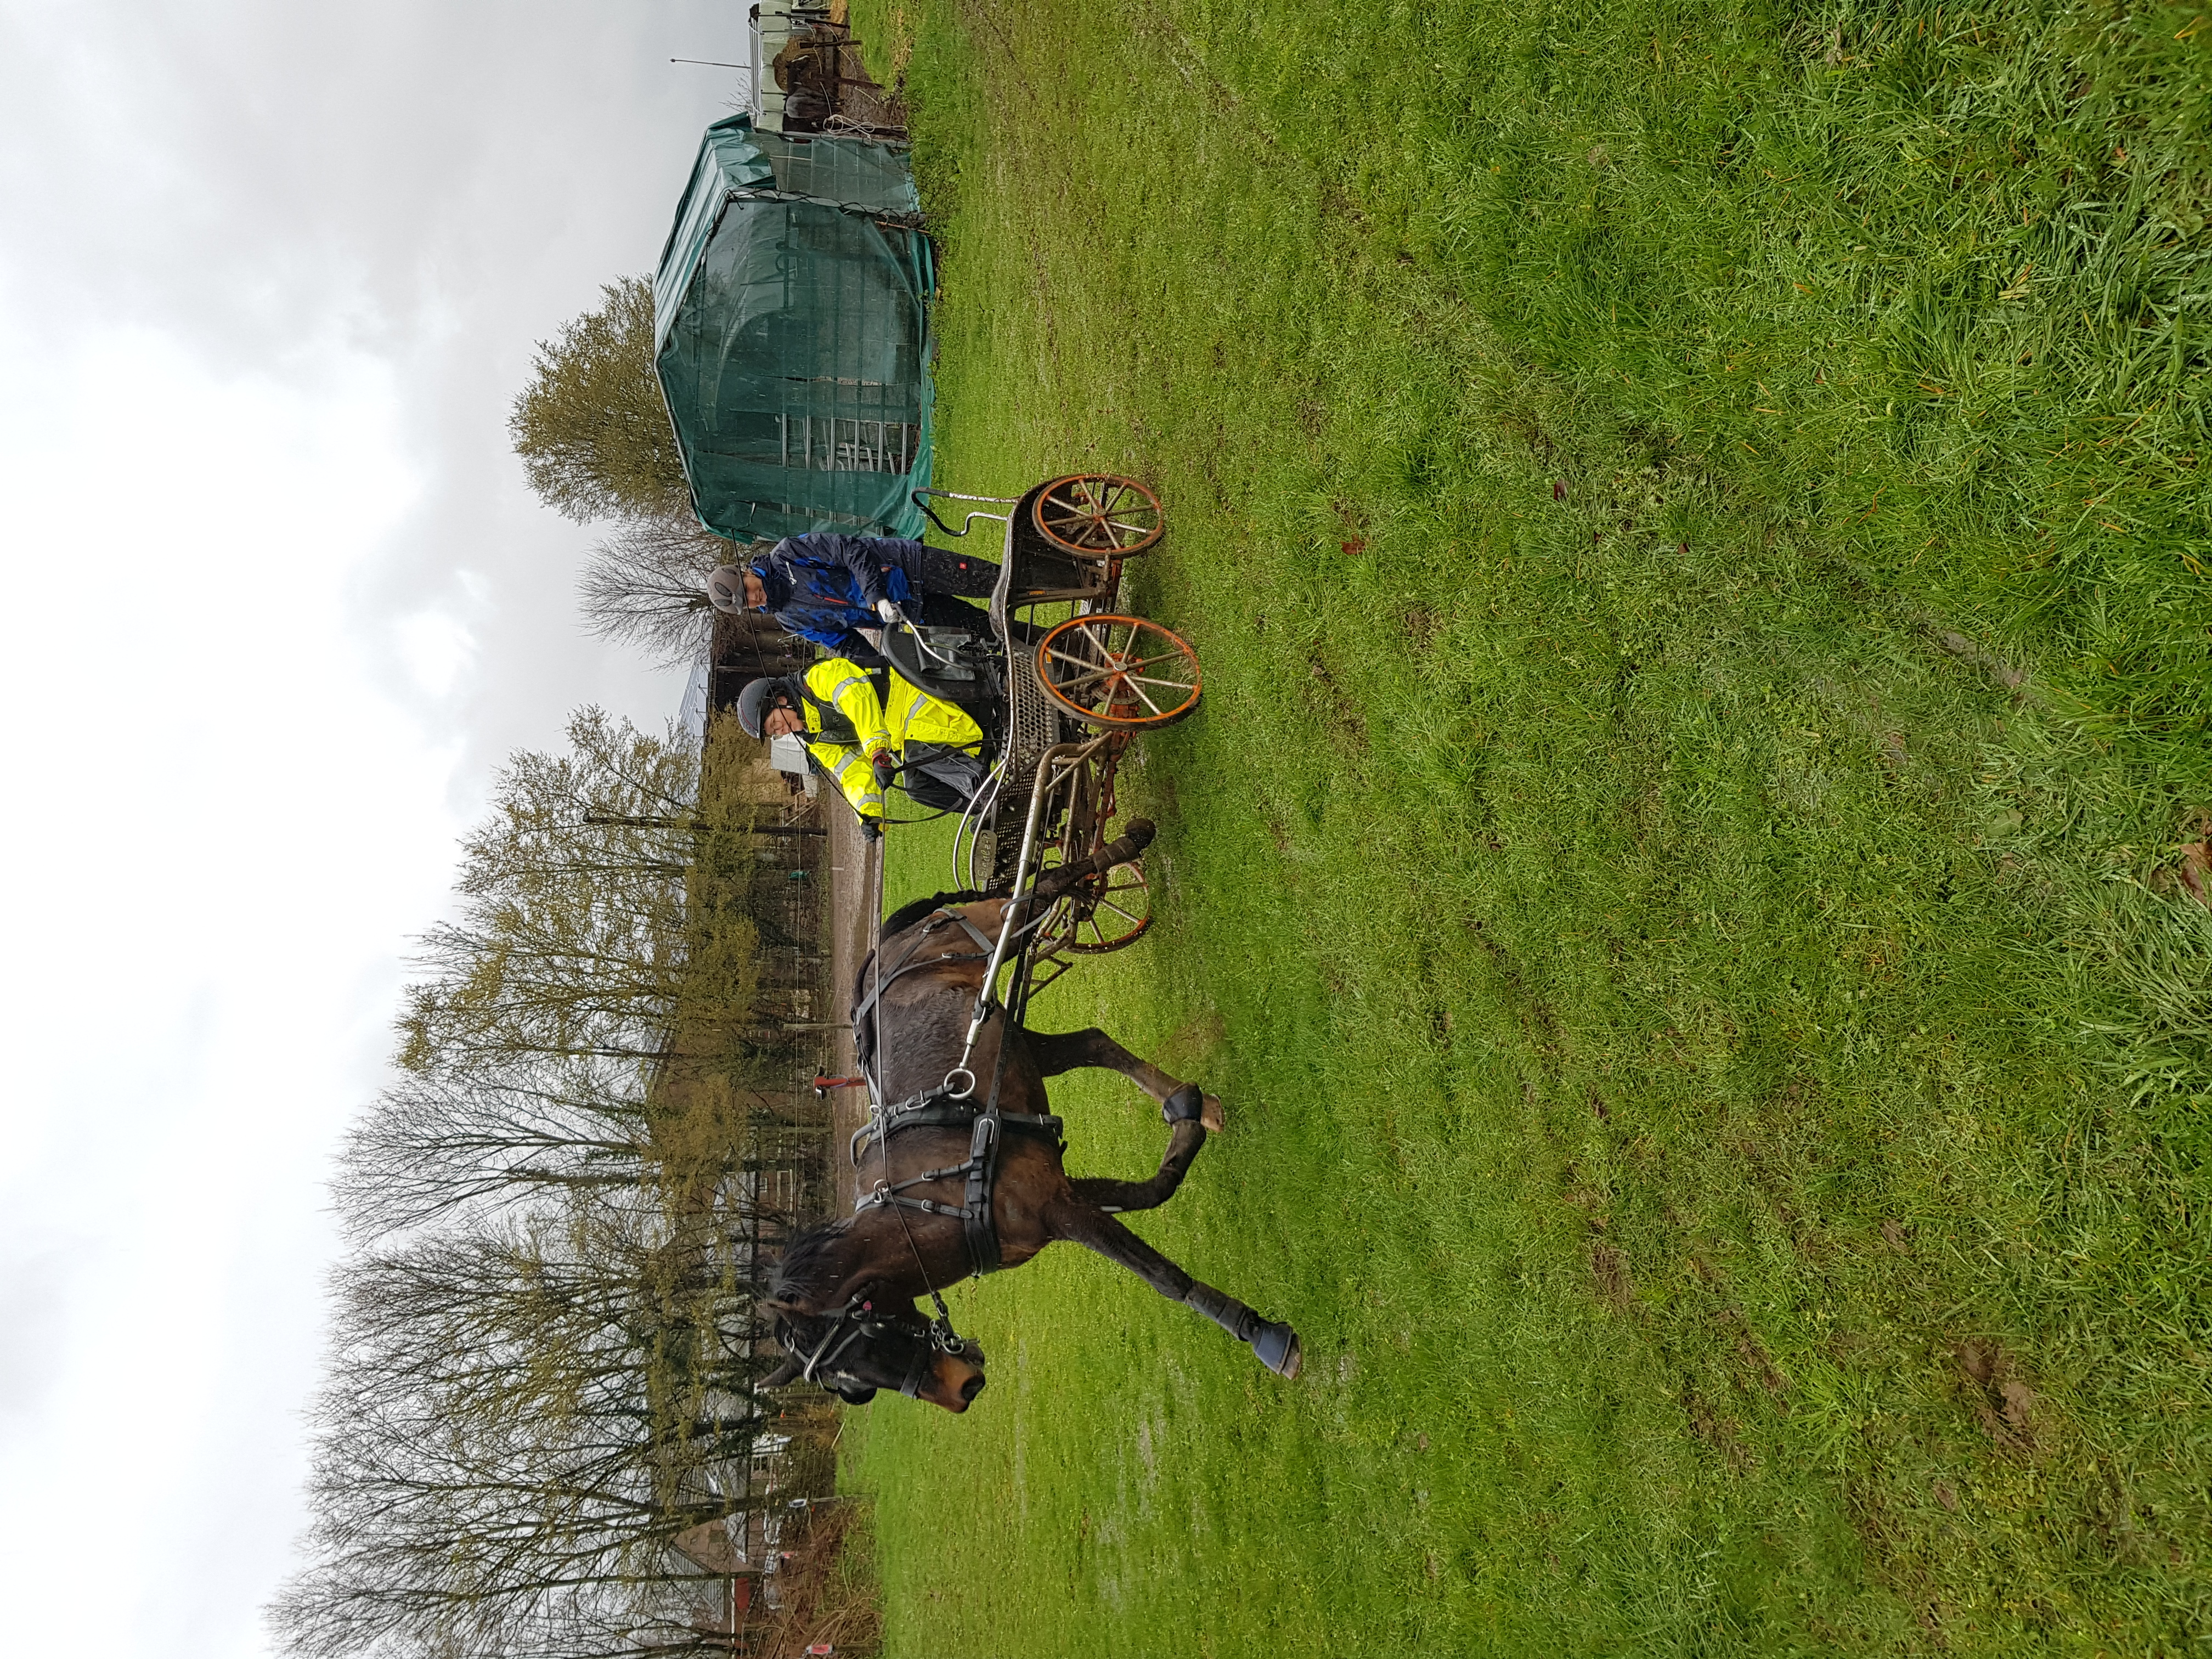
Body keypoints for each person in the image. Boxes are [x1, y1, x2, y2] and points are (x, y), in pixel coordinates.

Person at [734, 658, 988, 839]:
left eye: (776, 724)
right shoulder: (815, 740)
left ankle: (991, 795)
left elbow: (858, 699)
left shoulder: (818, 679)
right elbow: (851, 772)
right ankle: (986, 811)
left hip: (918, 698)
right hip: (907, 737)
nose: (783, 732)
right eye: (775, 734)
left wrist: (878, 751)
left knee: (916, 753)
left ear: (781, 700)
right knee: (915, 787)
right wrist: (868, 815)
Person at [707, 532, 1000, 665]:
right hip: (910, 613)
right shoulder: (788, 619)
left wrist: (876, 596)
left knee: (998, 582)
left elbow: (848, 549)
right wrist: (880, 665)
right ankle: (1042, 644)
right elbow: (843, 642)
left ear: (745, 572)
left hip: (909, 566)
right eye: (747, 603)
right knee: (988, 633)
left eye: (746, 589)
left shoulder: (787, 554)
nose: (753, 597)